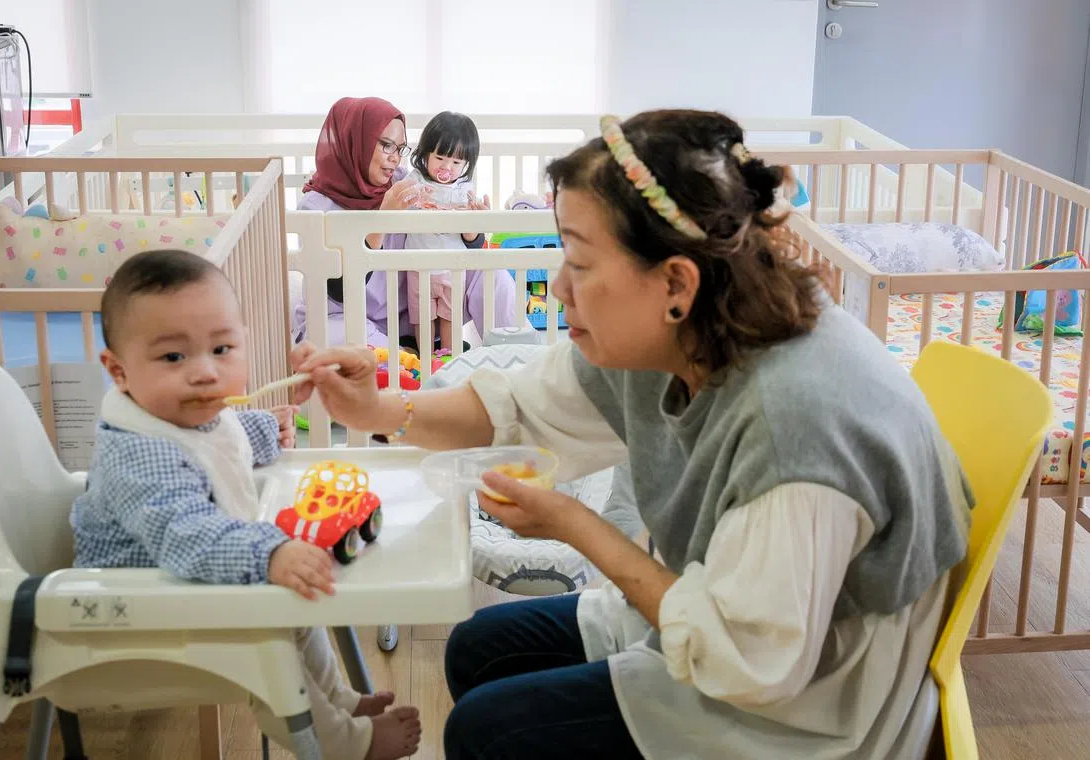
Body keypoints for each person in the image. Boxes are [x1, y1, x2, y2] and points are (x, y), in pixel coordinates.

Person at [286, 109, 975, 759]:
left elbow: (750, 665)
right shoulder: (679, 330)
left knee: (485, 733)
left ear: (675, 279)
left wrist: (577, 528)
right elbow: (514, 407)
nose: (558, 287)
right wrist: (377, 411)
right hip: (723, 604)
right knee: (476, 650)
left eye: (580, 263)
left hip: (809, 702)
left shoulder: (796, 424)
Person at [69, 250, 421, 760]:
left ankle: (338, 701)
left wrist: (270, 427)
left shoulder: (180, 416)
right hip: (138, 616)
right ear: (118, 371)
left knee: (296, 609)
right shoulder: (138, 452)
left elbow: (219, 440)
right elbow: (186, 533)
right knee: (268, 638)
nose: (206, 373)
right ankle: (347, 743)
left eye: (222, 348)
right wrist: (268, 553)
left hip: (181, 591)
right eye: (174, 357)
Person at [293, 97, 517, 349]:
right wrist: (383, 219)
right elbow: (339, 291)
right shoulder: (316, 208)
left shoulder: (403, 182)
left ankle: (517, 351)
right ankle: (410, 358)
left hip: (411, 314)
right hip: (350, 316)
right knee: (338, 338)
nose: (395, 159)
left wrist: (472, 231)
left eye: (401, 149)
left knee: (495, 273)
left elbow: (461, 245)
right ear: (356, 142)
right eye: (387, 146)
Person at [403, 111, 492, 352]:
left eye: (456, 163)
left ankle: (450, 358)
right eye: (440, 158)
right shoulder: (415, 181)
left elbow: (471, 236)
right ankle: (425, 358)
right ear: (425, 154)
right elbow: (399, 208)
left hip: (453, 266)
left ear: (466, 165)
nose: (446, 167)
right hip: (418, 264)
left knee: (450, 317)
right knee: (422, 318)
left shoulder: (465, 189)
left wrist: (474, 221)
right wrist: (412, 198)